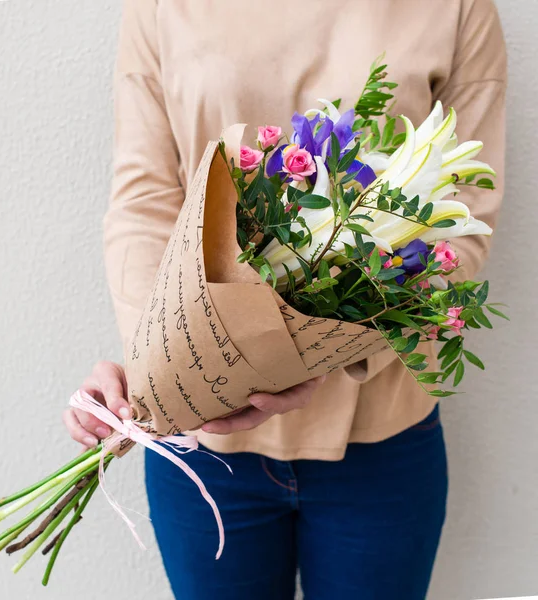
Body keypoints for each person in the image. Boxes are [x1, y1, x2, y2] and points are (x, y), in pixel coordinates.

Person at [63, 1, 507, 598]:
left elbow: (462, 220)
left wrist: (317, 355)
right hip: (203, 438)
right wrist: (157, 366)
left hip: (379, 439)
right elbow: (145, 199)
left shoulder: (456, 7)